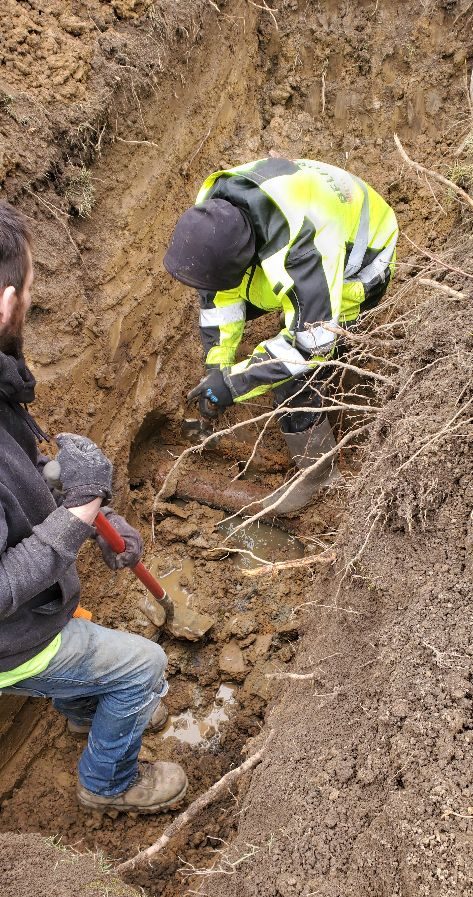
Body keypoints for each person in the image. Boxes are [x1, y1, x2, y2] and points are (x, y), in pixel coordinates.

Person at [0, 200, 187, 814]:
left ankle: (85, 709)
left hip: (27, 622)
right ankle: (108, 784)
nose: (29, 302)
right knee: (143, 668)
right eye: (29, 289)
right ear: (6, 303)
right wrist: (79, 513)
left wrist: (84, 514)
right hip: (10, 638)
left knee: (99, 673)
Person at [164, 156, 398, 511]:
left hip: (362, 261)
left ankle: (318, 477)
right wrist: (217, 366)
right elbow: (219, 300)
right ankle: (292, 317)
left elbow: (310, 346)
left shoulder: (305, 248)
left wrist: (233, 385)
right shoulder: (214, 216)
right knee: (251, 308)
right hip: (306, 233)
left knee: (296, 377)